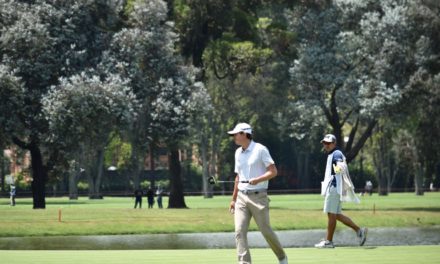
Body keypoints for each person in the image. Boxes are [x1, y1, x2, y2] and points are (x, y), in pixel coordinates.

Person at [228, 123, 288, 264]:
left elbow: (273, 171)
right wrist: (233, 199)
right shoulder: (238, 153)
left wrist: (258, 179)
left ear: (245, 134)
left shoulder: (260, 149)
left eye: (236, 134)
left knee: (266, 231)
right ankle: (244, 262)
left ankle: (282, 257)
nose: (234, 137)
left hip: (258, 197)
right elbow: (238, 177)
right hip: (242, 197)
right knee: (239, 231)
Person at [315, 134, 367, 248]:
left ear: (334, 143)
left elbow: (341, 166)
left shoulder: (336, 153)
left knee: (331, 214)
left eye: (328, 143)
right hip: (335, 188)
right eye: (324, 143)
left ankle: (328, 242)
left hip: (334, 188)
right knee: (337, 215)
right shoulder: (332, 154)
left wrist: (337, 170)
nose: (326, 145)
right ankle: (359, 231)